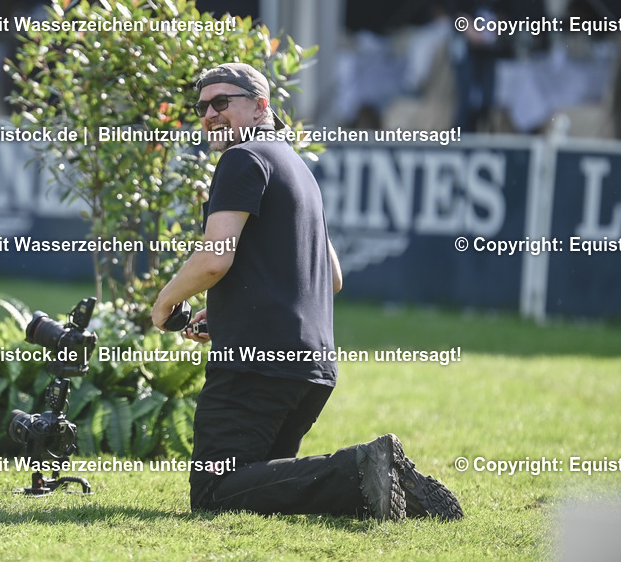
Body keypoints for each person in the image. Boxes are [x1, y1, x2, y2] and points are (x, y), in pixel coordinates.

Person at [151, 62, 462, 520]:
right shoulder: (293, 164)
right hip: (310, 370)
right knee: (256, 482)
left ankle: (365, 466)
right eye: (201, 106)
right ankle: (382, 483)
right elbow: (331, 276)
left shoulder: (242, 158)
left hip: (257, 367)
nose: (209, 114)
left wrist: (166, 301)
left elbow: (216, 256)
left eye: (221, 102)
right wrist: (225, 313)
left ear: (259, 107)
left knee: (215, 491)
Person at [447, 0, 509, 132]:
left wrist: (498, 28)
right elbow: (455, 9)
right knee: (467, 99)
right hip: (467, 45)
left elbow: (503, 8)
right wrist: (470, 31)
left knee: (487, 98)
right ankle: (461, 142)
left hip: (489, 45)